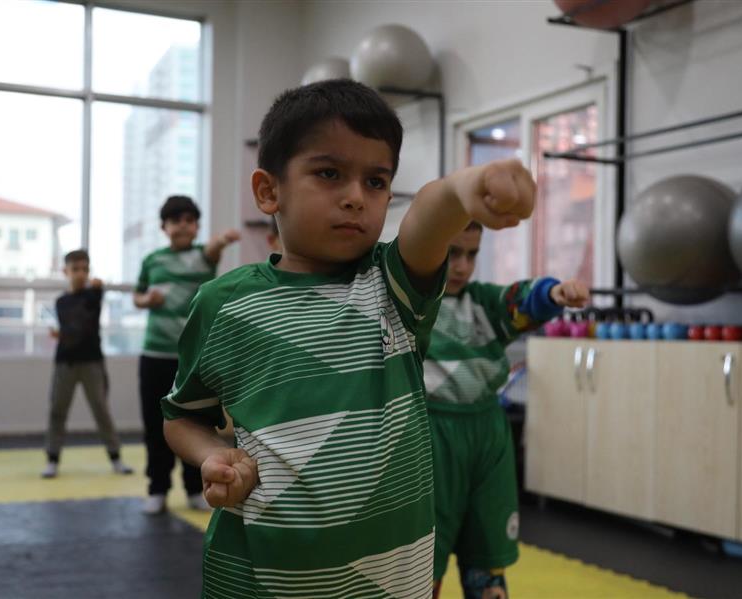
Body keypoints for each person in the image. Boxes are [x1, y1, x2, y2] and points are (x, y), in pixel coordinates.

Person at [160, 79, 537, 598]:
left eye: (377, 182)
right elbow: (182, 416)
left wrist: (462, 189)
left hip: (391, 584)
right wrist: (212, 455)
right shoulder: (224, 306)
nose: (357, 197)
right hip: (261, 579)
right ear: (270, 191)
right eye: (329, 174)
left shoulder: (392, 288)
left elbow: (427, 219)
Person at [426, 222, 590, 599]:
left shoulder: (482, 301)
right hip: (431, 435)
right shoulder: (412, 305)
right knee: (423, 553)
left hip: (488, 436)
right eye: (452, 253)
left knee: (488, 547)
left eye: (472, 255)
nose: (463, 266)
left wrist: (554, 292)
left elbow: (519, 299)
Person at [133, 195, 239, 514]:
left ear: (197, 227)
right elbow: (137, 296)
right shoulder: (153, 260)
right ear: (164, 227)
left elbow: (213, 251)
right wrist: (145, 300)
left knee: (195, 423)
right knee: (154, 425)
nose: (183, 225)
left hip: (192, 358)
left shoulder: (201, 257)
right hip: (154, 354)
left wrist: (221, 241)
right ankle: (157, 488)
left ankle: (195, 488)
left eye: (189, 220)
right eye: (176, 220)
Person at [42, 249, 133, 479]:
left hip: (92, 362)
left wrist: (98, 286)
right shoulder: (61, 302)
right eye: (76, 269)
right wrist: (60, 334)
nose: (81, 273)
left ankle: (116, 458)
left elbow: (91, 307)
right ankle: (52, 459)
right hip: (66, 363)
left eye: (85, 269)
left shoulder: (93, 295)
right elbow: (70, 328)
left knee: (101, 410)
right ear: (66, 271)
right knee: (57, 410)